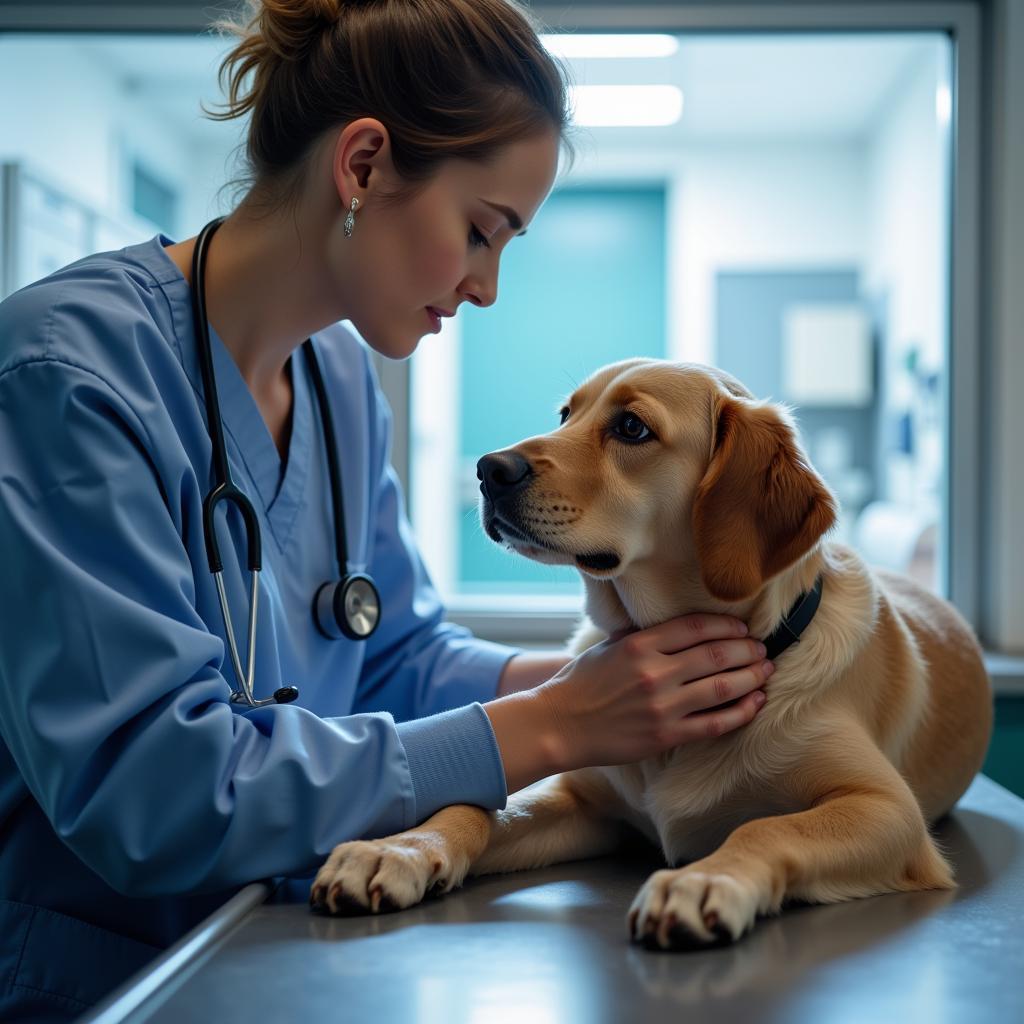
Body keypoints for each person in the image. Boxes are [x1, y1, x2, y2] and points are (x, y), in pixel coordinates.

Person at [0, 1, 773, 1018]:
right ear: (362, 165)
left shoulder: (338, 381)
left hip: (297, 948)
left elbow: (393, 656)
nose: (487, 286)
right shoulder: (67, 375)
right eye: (480, 231)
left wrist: (617, 681)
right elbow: (154, 787)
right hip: (111, 979)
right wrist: (549, 727)